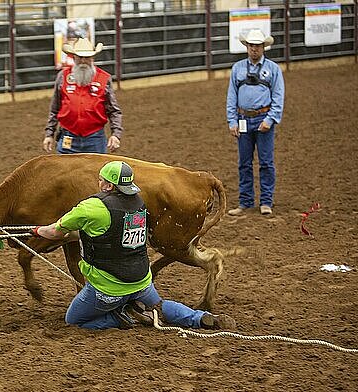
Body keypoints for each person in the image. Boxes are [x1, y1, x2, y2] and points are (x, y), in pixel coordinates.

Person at [30, 161, 236, 330]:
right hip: (141, 282)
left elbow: (54, 232)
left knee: (74, 320)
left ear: (109, 186)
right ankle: (201, 318)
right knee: (160, 306)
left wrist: (36, 230)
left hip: (108, 287)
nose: (99, 183)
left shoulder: (91, 207)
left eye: (101, 180)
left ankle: (126, 317)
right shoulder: (138, 202)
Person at [226, 29, 285, 217]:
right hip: (243, 119)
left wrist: (271, 119)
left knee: (266, 162)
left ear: (263, 47)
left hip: (263, 119)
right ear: (247, 47)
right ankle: (245, 201)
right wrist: (232, 120)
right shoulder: (237, 69)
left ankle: (266, 201)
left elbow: (278, 95)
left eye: (257, 46)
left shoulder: (273, 69)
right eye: (251, 46)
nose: (254, 49)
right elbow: (231, 96)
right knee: (244, 162)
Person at [43, 38, 123, 154]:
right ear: (74, 57)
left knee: (96, 171)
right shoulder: (63, 77)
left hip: (95, 138)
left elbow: (114, 110)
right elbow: (55, 109)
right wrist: (49, 134)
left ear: (92, 58)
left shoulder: (104, 79)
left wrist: (116, 135)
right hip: (68, 136)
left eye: (87, 57)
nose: (83, 61)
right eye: (80, 57)